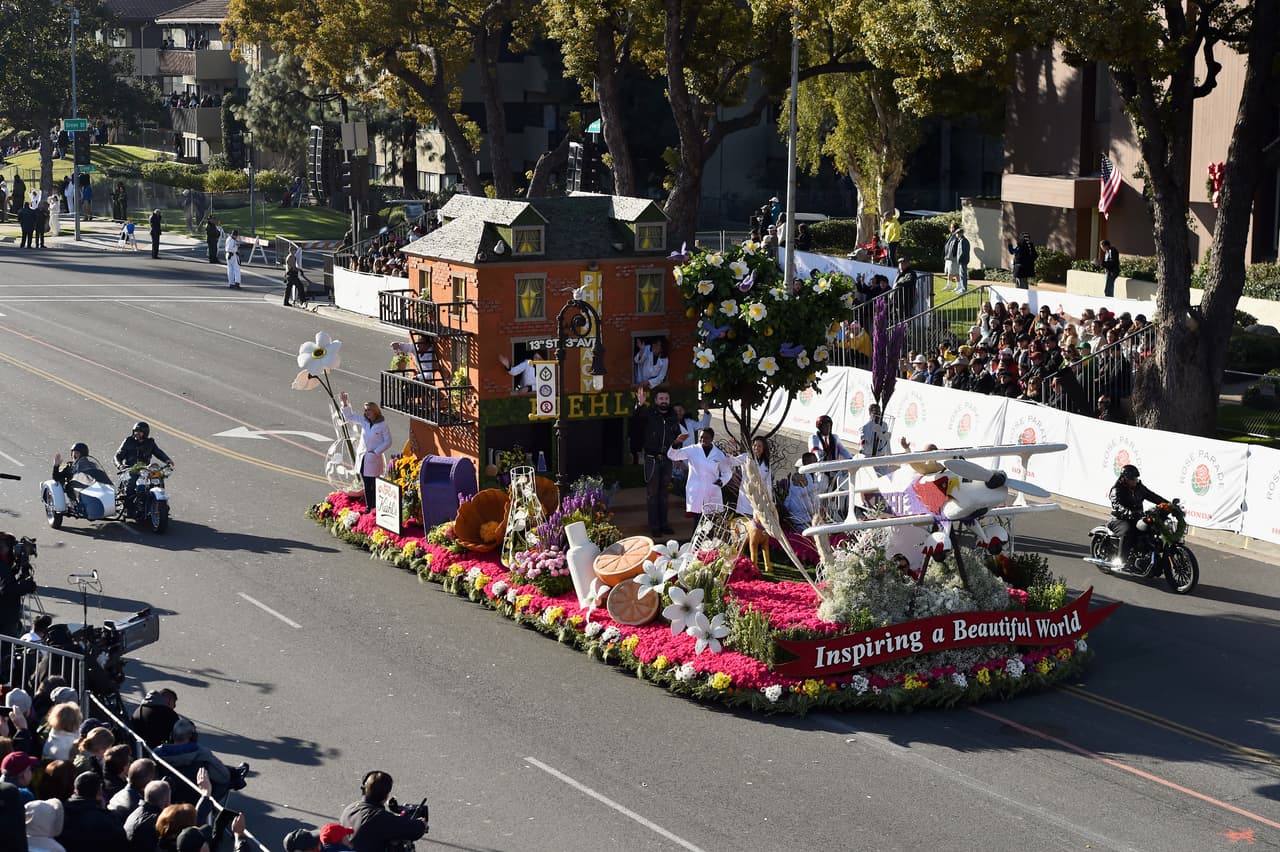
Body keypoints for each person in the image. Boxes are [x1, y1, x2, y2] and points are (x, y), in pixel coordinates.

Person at [154, 718, 247, 803]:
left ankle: (236, 772)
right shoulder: (202, 755)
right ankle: (237, 775)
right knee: (224, 776)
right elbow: (224, 777)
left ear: (171, 736)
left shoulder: (156, 754)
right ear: (193, 736)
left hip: (169, 796)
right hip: (198, 798)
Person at [631, 386, 681, 537]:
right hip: (652, 459)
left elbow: (677, 437)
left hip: (667, 459)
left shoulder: (673, 417)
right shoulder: (649, 413)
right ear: (656, 400)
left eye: (666, 399)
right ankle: (654, 526)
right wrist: (639, 404)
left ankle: (664, 525)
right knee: (653, 494)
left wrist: (678, 450)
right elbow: (636, 419)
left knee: (664, 494)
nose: (664, 401)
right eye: (661, 399)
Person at [340, 771, 427, 852]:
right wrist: (422, 824)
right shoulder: (378, 817)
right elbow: (415, 830)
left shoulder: (349, 809)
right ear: (386, 796)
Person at [339, 394, 392, 512]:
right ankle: (370, 506)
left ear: (375, 411)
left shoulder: (382, 425)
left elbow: (388, 441)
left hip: (373, 458)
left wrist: (376, 452)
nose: (367, 412)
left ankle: (377, 506)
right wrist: (345, 403)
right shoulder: (364, 421)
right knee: (367, 484)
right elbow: (349, 417)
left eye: (369, 410)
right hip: (363, 457)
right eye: (366, 410)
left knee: (374, 484)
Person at [1108, 464, 1168, 567]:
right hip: (1120, 519)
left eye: (1136, 478)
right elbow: (1117, 505)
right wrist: (1129, 512)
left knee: (1152, 529)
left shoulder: (1139, 488)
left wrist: (1167, 504)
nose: (1135, 480)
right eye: (1132, 479)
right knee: (1128, 531)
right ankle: (1120, 561)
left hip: (1137, 517)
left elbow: (1153, 496)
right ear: (1124, 478)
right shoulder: (1117, 489)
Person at [57, 772, 128, 852]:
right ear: (99, 791)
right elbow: (121, 842)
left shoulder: (60, 813)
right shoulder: (106, 820)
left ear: (75, 789)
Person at [727, 436, 771, 516]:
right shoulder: (746, 457)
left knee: (756, 524)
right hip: (746, 497)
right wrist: (731, 450)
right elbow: (731, 462)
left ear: (764, 448)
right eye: (755, 445)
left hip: (759, 499)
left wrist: (769, 502)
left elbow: (768, 483)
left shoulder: (766, 463)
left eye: (759, 446)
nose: (756, 448)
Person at [50, 443, 97, 508]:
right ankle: (74, 503)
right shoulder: (67, 465)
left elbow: (99, 475)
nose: (74, 455)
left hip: (89, 487)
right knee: (67, 485)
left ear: (83, 454)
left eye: (77, 453)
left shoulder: (92, 465)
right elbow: (56, 478)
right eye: (73, 453)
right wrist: (56, 466)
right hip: (74, 490)